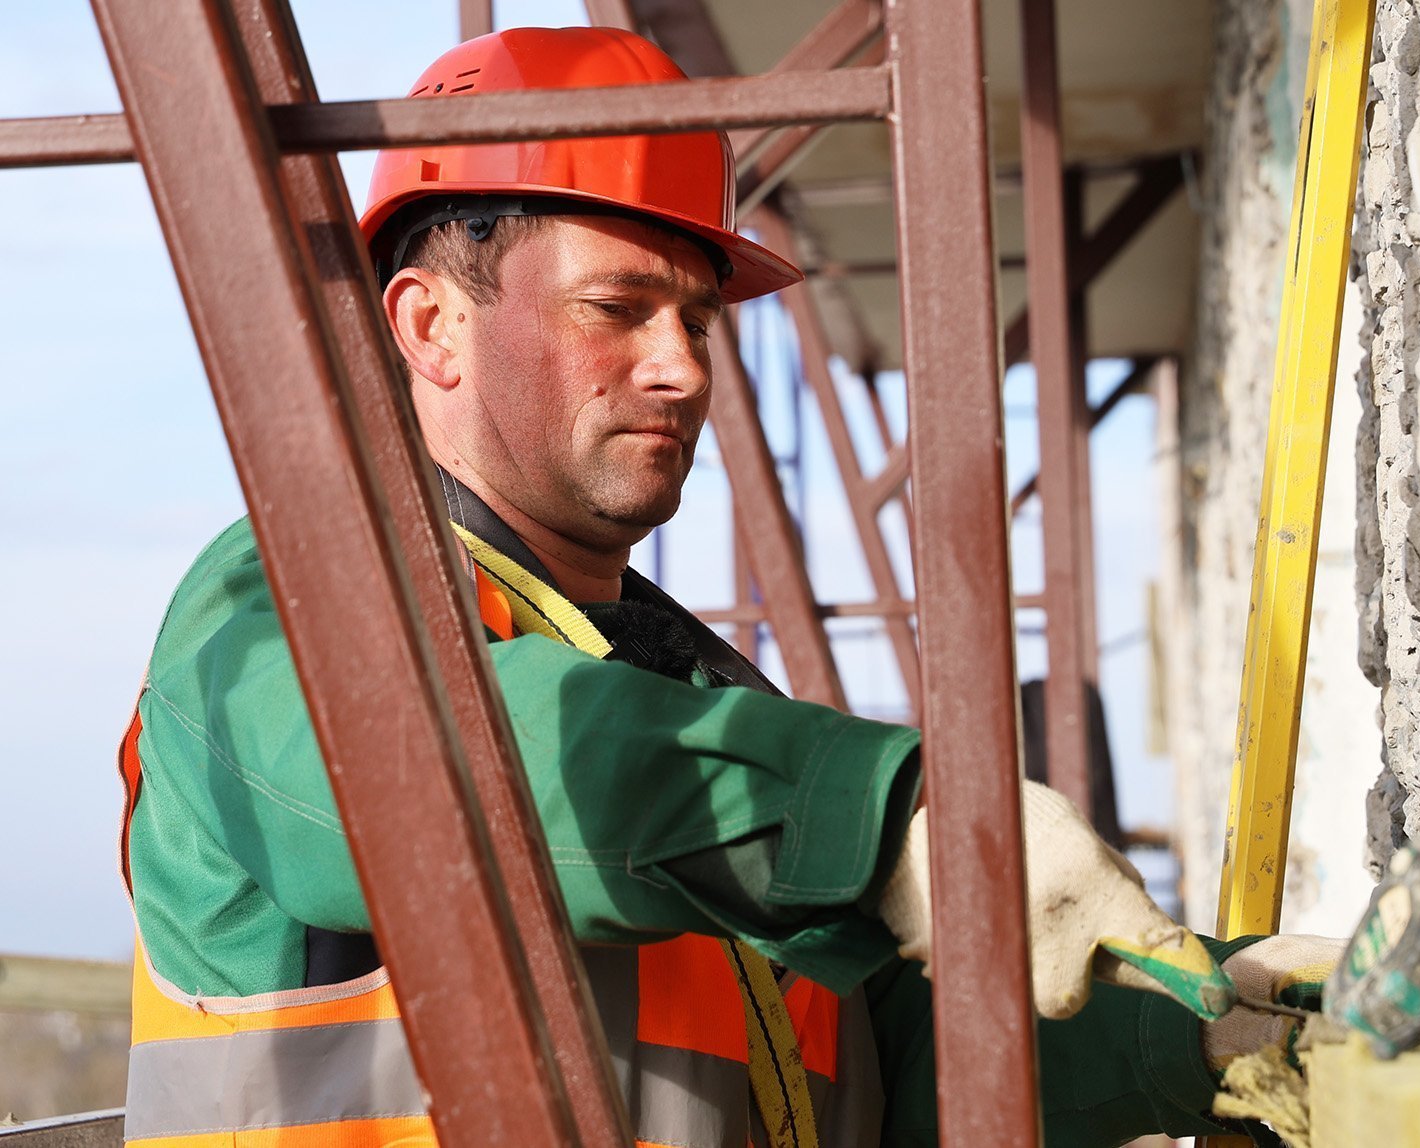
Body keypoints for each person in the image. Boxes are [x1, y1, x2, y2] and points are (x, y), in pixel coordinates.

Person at [115, 26, 1340, 1148]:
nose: (682, 366)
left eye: (697, 318)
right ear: (430, 325)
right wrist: (880, 822)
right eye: (620, 307)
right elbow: (450, 769)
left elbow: (896, 1072)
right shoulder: (272, 616)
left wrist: (1197, 1033)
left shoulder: (684, 689)